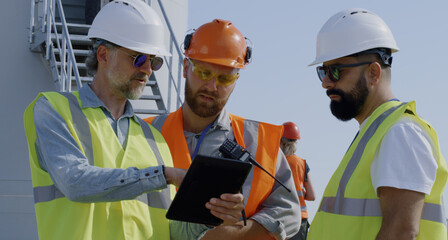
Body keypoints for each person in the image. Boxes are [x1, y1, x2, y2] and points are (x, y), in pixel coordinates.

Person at [24, 1, 243, 239]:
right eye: (139, 58)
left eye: (154, 61)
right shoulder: (54, 109)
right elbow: (75, 182)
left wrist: (210, 215)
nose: (148, 69)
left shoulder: (154, 138)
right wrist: (165, 175)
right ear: (103, 54)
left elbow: (171, 231)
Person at [144, 19, 301, 240]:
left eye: (224, 78)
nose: (211, 86)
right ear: (186, 68)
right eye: (203, 72)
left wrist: (230, 235)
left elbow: (289, 212)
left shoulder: (258, 141)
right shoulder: (145, 133)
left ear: (236, 81)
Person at [307, 8, 448, 240]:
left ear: (373, 73)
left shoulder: (400, 132)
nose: (326, 83)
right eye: (323, 71)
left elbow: (401, 232)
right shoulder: (376, 132)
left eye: (335, 71)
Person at [280, 122, 315, 240]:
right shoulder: (302, 163)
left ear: (282, 142)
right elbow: (312, 196)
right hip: (300, 219)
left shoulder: (274, 162)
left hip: (280, 217)